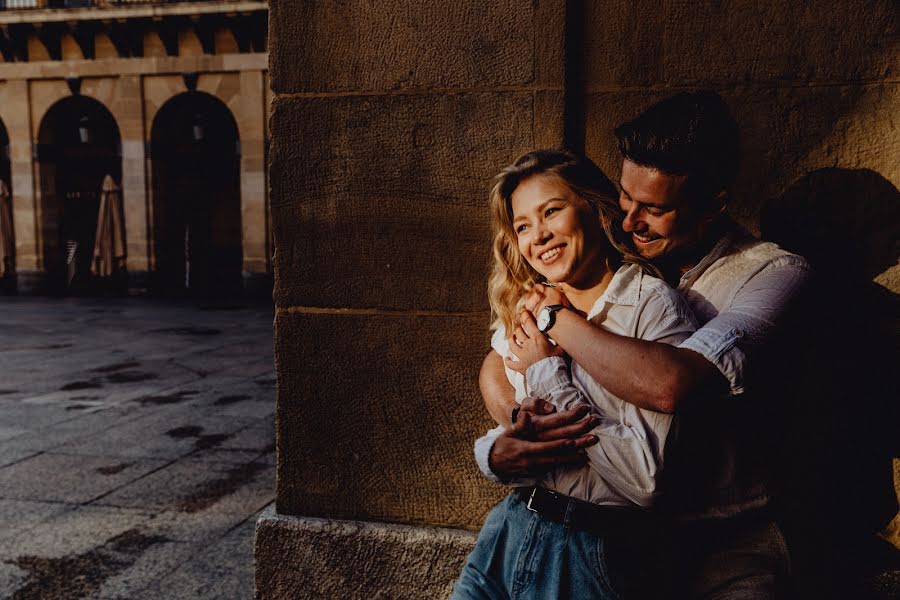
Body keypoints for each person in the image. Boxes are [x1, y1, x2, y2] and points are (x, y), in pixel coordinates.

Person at [478, 91, 810, 598]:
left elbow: (670, 383)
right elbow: (502, 363)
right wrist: (519, 424)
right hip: (624, 546)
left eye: (652, 209)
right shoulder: (621, 264)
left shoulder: (770, 275)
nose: (629, 223)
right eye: (625, 200)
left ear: (713, 205)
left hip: (724, 552)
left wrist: (552, 317)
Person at [451, 149, 699, 599]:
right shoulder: (530, 305)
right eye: (522, 225)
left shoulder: (652, 308)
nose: (538, 235)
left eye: (551, 211)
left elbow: (647, 481)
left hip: (593, 552)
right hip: (507, 532)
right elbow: (514, 419)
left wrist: (547, 370)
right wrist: (493, 454)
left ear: (595, 209)